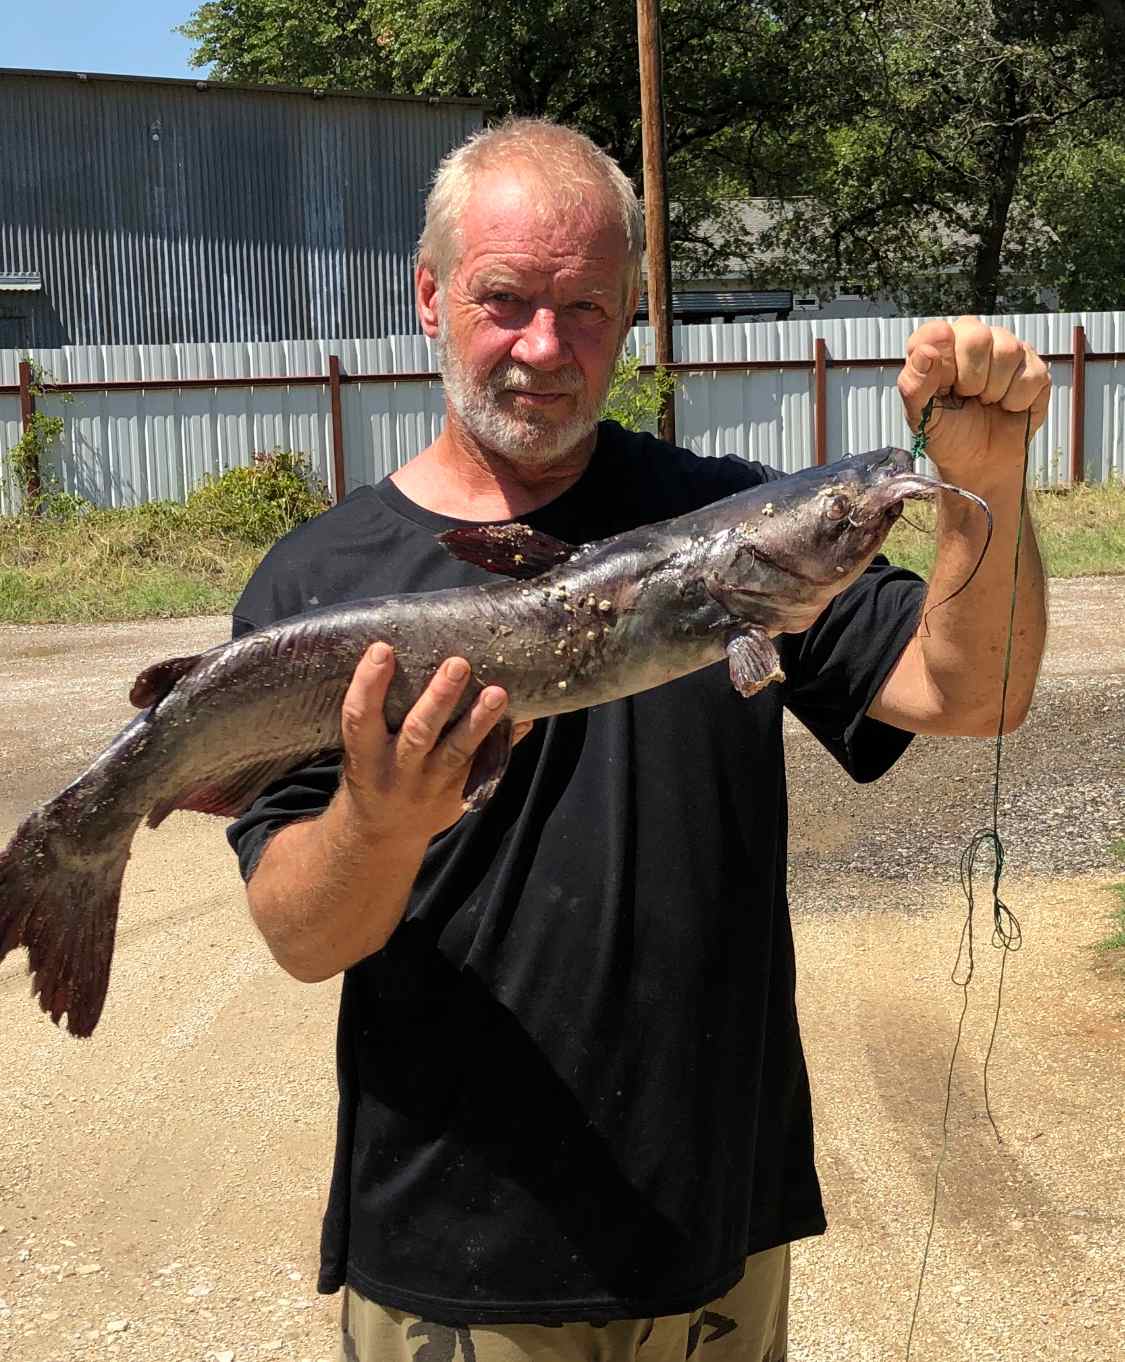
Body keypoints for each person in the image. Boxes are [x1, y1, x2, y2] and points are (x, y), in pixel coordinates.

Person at [227, 119, 1049, 1362]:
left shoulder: (729, 530)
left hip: (710, 1235)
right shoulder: (318, 585)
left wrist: (992, 477)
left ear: (631, 317)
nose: (545, 349)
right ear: (430, 295)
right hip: (457, 1253)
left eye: (589, 310)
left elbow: (970, 689)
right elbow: (302, 936)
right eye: (505, 301)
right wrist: (378, 824)